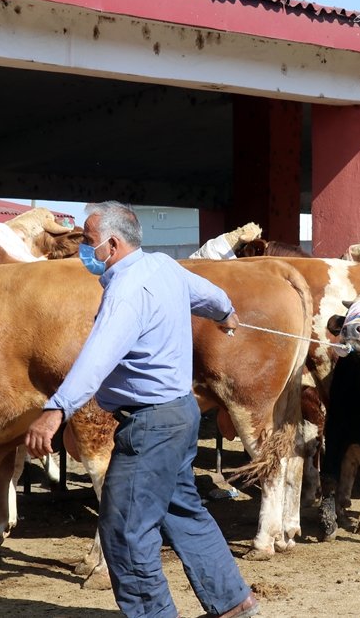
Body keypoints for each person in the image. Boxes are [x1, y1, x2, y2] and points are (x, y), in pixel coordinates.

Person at [24, 201, 260, 618]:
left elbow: (97, 357)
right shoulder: (164, 267)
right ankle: (232, 602)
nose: (84, 249)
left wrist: (55, 409)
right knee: (181, 509)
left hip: (151, 425)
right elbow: (212, 296)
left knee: (124, 531)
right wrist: (226, 314)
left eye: (89, 241)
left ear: (112, 245)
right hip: (180, 414)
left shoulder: (126, 291)